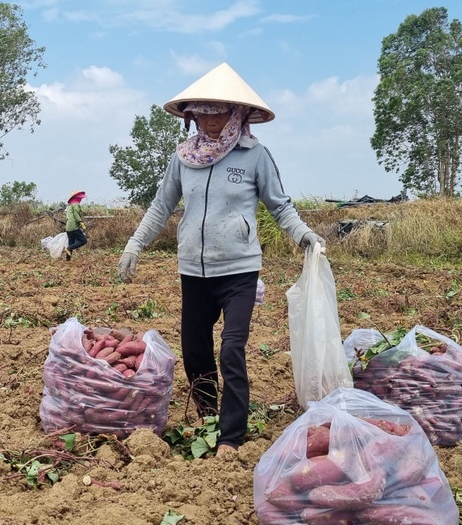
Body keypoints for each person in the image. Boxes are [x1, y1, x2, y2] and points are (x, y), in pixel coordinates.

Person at [117, 63, 325, 456]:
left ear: (238, 114)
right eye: (203, 113)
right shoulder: (183, 159)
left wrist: (304, 235)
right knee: (195, 350)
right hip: (193, 271)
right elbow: (161, 207)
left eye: (219, 113)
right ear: (192, 116)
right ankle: (209, 414)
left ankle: (231, 436)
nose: (211, 122)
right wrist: (134, 244)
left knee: (231, 348)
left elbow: (281, 206)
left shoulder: (254, 155)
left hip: (239, 270)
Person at [64, 190, 88, 261]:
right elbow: (76, 214)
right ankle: (68, 249)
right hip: (74, 227)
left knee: (71, 243)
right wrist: (81, 223)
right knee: (83, 240)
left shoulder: (70, 206)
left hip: (68, 227)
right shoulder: (76, 204)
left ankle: (68, 260)